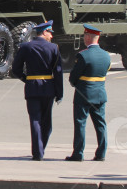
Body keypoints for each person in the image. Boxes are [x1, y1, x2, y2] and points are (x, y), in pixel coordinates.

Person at [11, 20, 63, 160]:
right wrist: (60, 93)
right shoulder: (53, 48)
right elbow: (58, 73)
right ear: (44, 32)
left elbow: (16, 69)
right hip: (48, 88)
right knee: (46, 123)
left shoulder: (26, 47)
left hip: (32, 87)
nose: (51, 36)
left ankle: (37, 152)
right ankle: (41, 149)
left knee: (35, 120)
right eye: (50, 33)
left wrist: (26, 79)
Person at [66, 24, 111, 162]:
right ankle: (101, 153)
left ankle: (78, 153)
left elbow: (73, 76)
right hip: (100, 94)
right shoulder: (106, 56)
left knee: (80, 123)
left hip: (84, 94)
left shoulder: (83, 55)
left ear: (87, 37)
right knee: (100, 124)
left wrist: (75, 84)